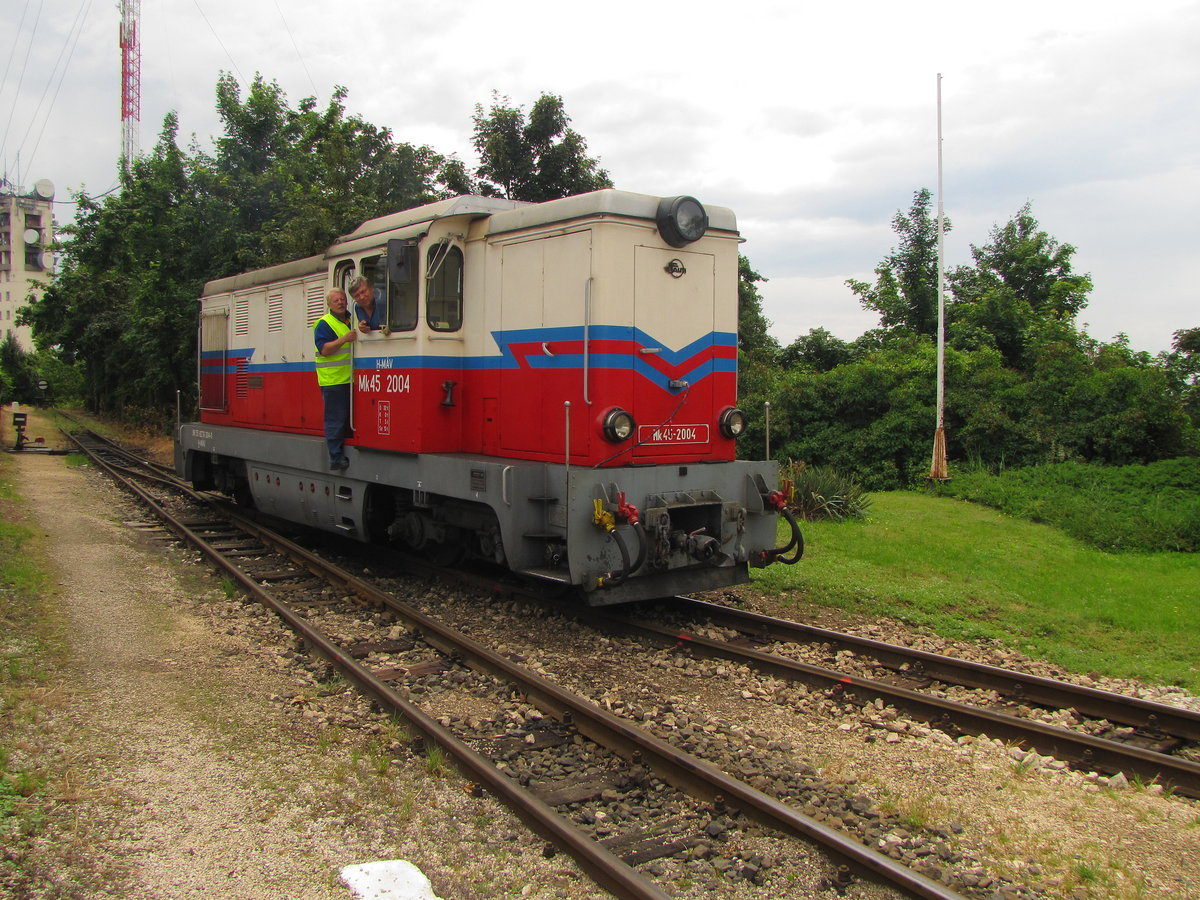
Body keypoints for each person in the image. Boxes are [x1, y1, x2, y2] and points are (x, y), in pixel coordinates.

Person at [313, 288, 357, 470]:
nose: (340, 302)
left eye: (342, 299)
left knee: (345, 418)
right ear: (329, 304)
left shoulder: (350, 319)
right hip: (333, 381)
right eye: (336, 300)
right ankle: (335, 458)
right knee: (335, 419)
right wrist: (344, 339)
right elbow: (325, 349)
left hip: (349, 379)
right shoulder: (324, 324)